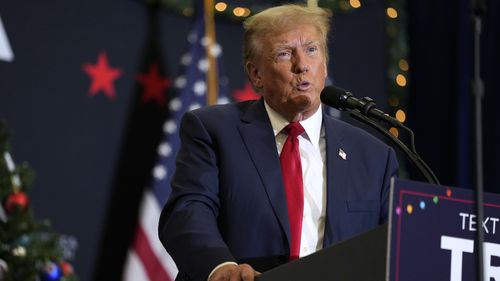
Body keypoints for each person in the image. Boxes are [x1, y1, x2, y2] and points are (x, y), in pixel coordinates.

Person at [158, 4, 398, 281]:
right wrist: (221, 268)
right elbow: (189, 210)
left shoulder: (374, 156)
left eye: (311, 50)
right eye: (285, 54)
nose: (302, 65)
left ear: (325, 65)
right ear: (256, 74)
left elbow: (390, 248)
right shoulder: (214, 130)